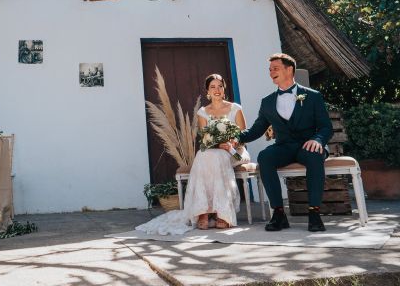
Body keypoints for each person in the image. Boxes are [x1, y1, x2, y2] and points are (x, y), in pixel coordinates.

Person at [136, 73, 250, 235]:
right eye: (213, 87)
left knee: (214, 157)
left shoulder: (235, 108)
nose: (217, 90)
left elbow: (244, 136)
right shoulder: (203, 112)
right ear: (207, 91)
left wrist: (232, 143)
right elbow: (205, 139)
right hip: (213, 149)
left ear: (224, 89)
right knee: (203, 156)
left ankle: (222, 214)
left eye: (220, 86)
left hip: (235, 151)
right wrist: (218, 143)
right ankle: (204, 210)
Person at [237, 53, 332, 233]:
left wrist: (317, 139)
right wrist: (237, 137)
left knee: (314, 155)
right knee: (265, 157)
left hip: (308, 145)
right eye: (270, 69)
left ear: (290, 69)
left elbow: (326, 127)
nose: (271, 72)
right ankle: (279, 214)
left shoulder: (313, 96)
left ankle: (314, 213)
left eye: (276, 68)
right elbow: (256, 130)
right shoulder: (267, 102)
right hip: (284, 147)